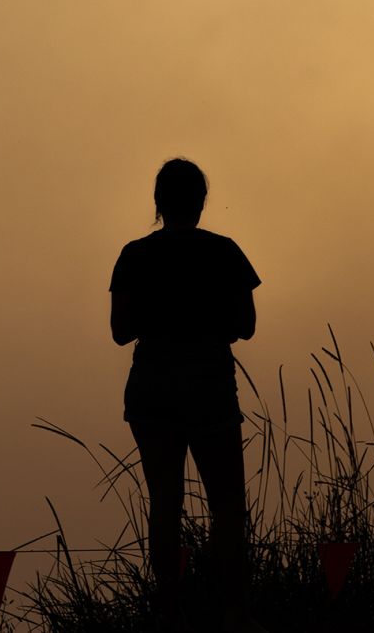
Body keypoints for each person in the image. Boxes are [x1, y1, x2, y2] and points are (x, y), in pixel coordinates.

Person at [110, 158, 265, 633]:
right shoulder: (225, 253)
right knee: (228, 507)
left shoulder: (134, 255)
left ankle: (170, 608)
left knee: (164, 503)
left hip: (152, 390)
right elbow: (247, 327)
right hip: (209, 388)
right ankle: (232, 609)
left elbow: (120, 332)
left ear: (158, 203)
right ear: (201, 202)